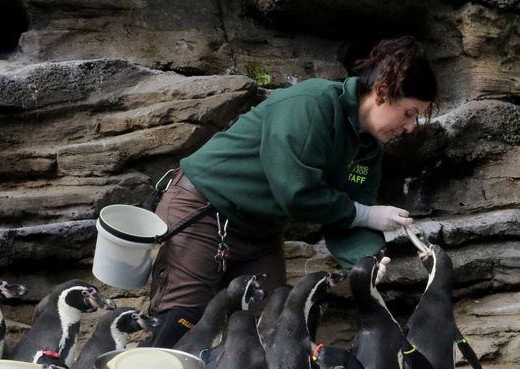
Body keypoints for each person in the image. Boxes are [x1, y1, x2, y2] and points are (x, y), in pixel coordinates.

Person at [146, 35, 438, 347]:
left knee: (270, 332)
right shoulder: (313, 103)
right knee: (177, 325)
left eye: (416, 117)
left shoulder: (367, 149)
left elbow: (351, 215)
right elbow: (296, 193)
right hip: (203, 210)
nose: (410, 127)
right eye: (409, 113)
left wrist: (366, 261)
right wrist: (364, 214)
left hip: (259, 233)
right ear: (382, 92)